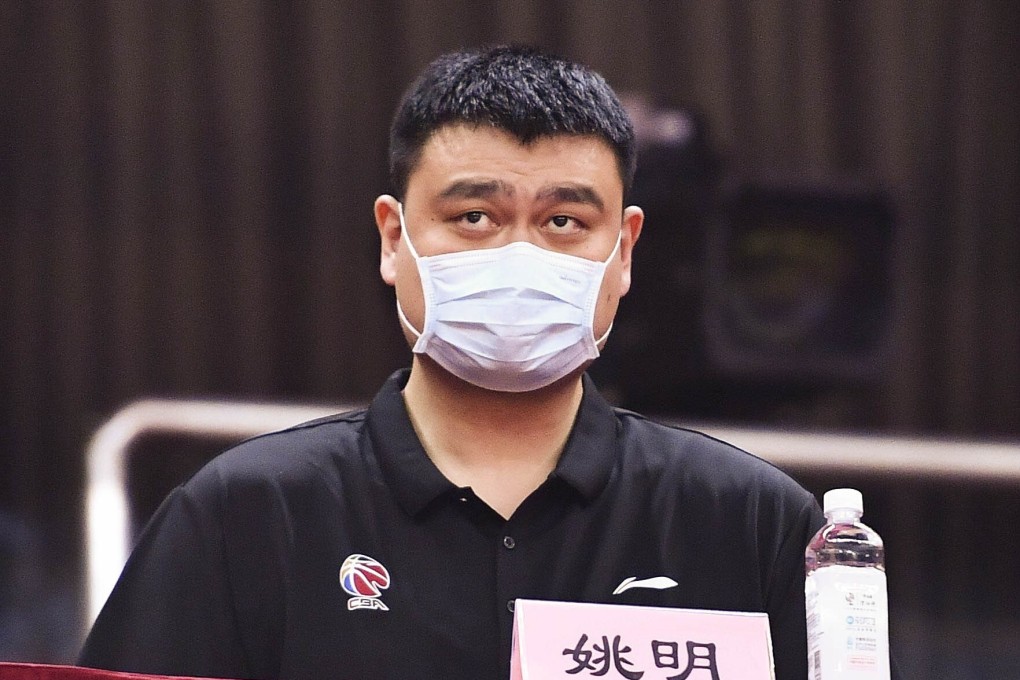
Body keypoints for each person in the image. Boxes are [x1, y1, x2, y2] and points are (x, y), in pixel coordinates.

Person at [79, 45, 824, 680]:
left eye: (564, 221)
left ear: (624, 252)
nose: (520, 255)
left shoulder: (752, 524)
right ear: (393, 238)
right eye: (474, 217)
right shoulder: (247, 514)